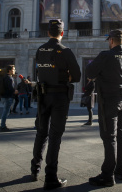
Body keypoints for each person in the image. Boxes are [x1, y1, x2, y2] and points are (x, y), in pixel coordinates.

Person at [30, 19, 81, 190]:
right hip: (59, 96)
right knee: (55, 135)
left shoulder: (40, 49)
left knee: (41, 132)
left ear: (48, 33)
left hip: (43, 96)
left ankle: (35, 169)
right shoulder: (65, 51)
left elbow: (39, 71)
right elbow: (77, 76)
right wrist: (66, 75)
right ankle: (50, 176)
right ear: (62, 33)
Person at [86, 29, 122, 187]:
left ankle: (107, 175)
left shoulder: (105, 55)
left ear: (111, 41)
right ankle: (121, 170)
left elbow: (89, 72)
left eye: (108, 40)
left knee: (109, 137)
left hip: (110, 100)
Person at [0, 65, 18, 132]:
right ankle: (2, 126)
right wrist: (14, 91)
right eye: (13, 69)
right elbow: (10, 88)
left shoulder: (4, 77)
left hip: (4, 96)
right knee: (6, 112)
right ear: (10, 70)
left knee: (6, 111)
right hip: (8, 96)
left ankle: (3, 125)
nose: (14, 71)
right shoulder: (10, 78)